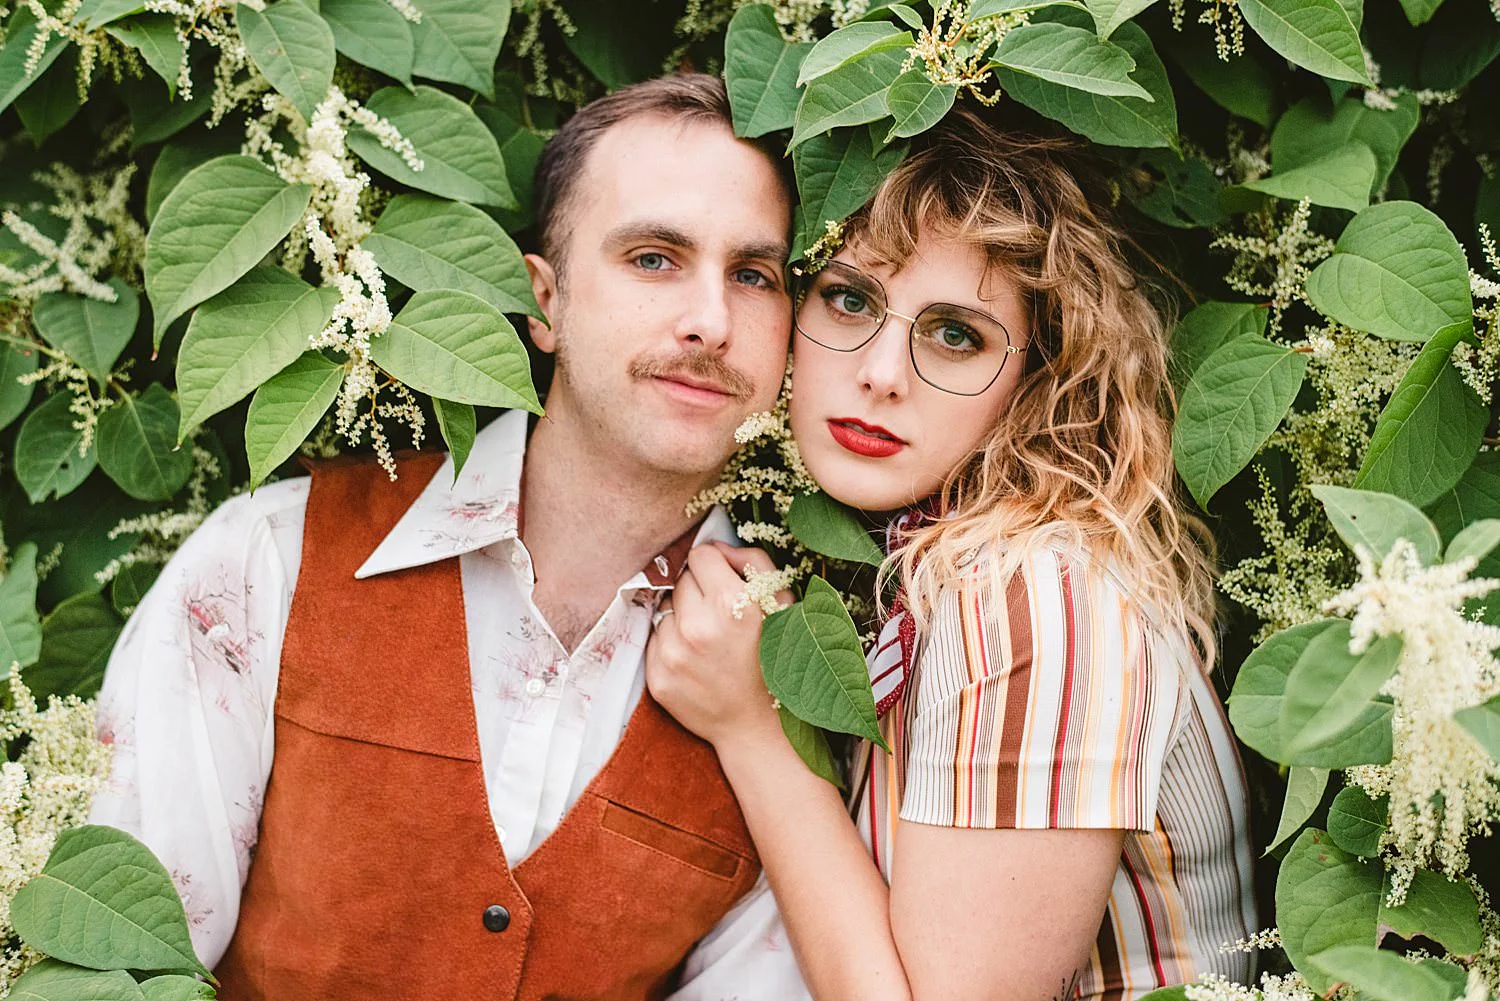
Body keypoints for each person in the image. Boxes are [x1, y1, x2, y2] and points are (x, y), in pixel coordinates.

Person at [89, 73, 816, 1001]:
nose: (711, 321)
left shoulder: (785, 686)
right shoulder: (265, 567)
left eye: (754, 275)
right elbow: (124, 968)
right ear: (541, 303)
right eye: (653, 258)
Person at [645, 109, 1257, 1001]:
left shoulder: (1036, 600)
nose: (883, 370)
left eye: (955, 333)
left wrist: (755, 732)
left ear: (1035, 376)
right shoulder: (915, 560)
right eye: (850, 298)